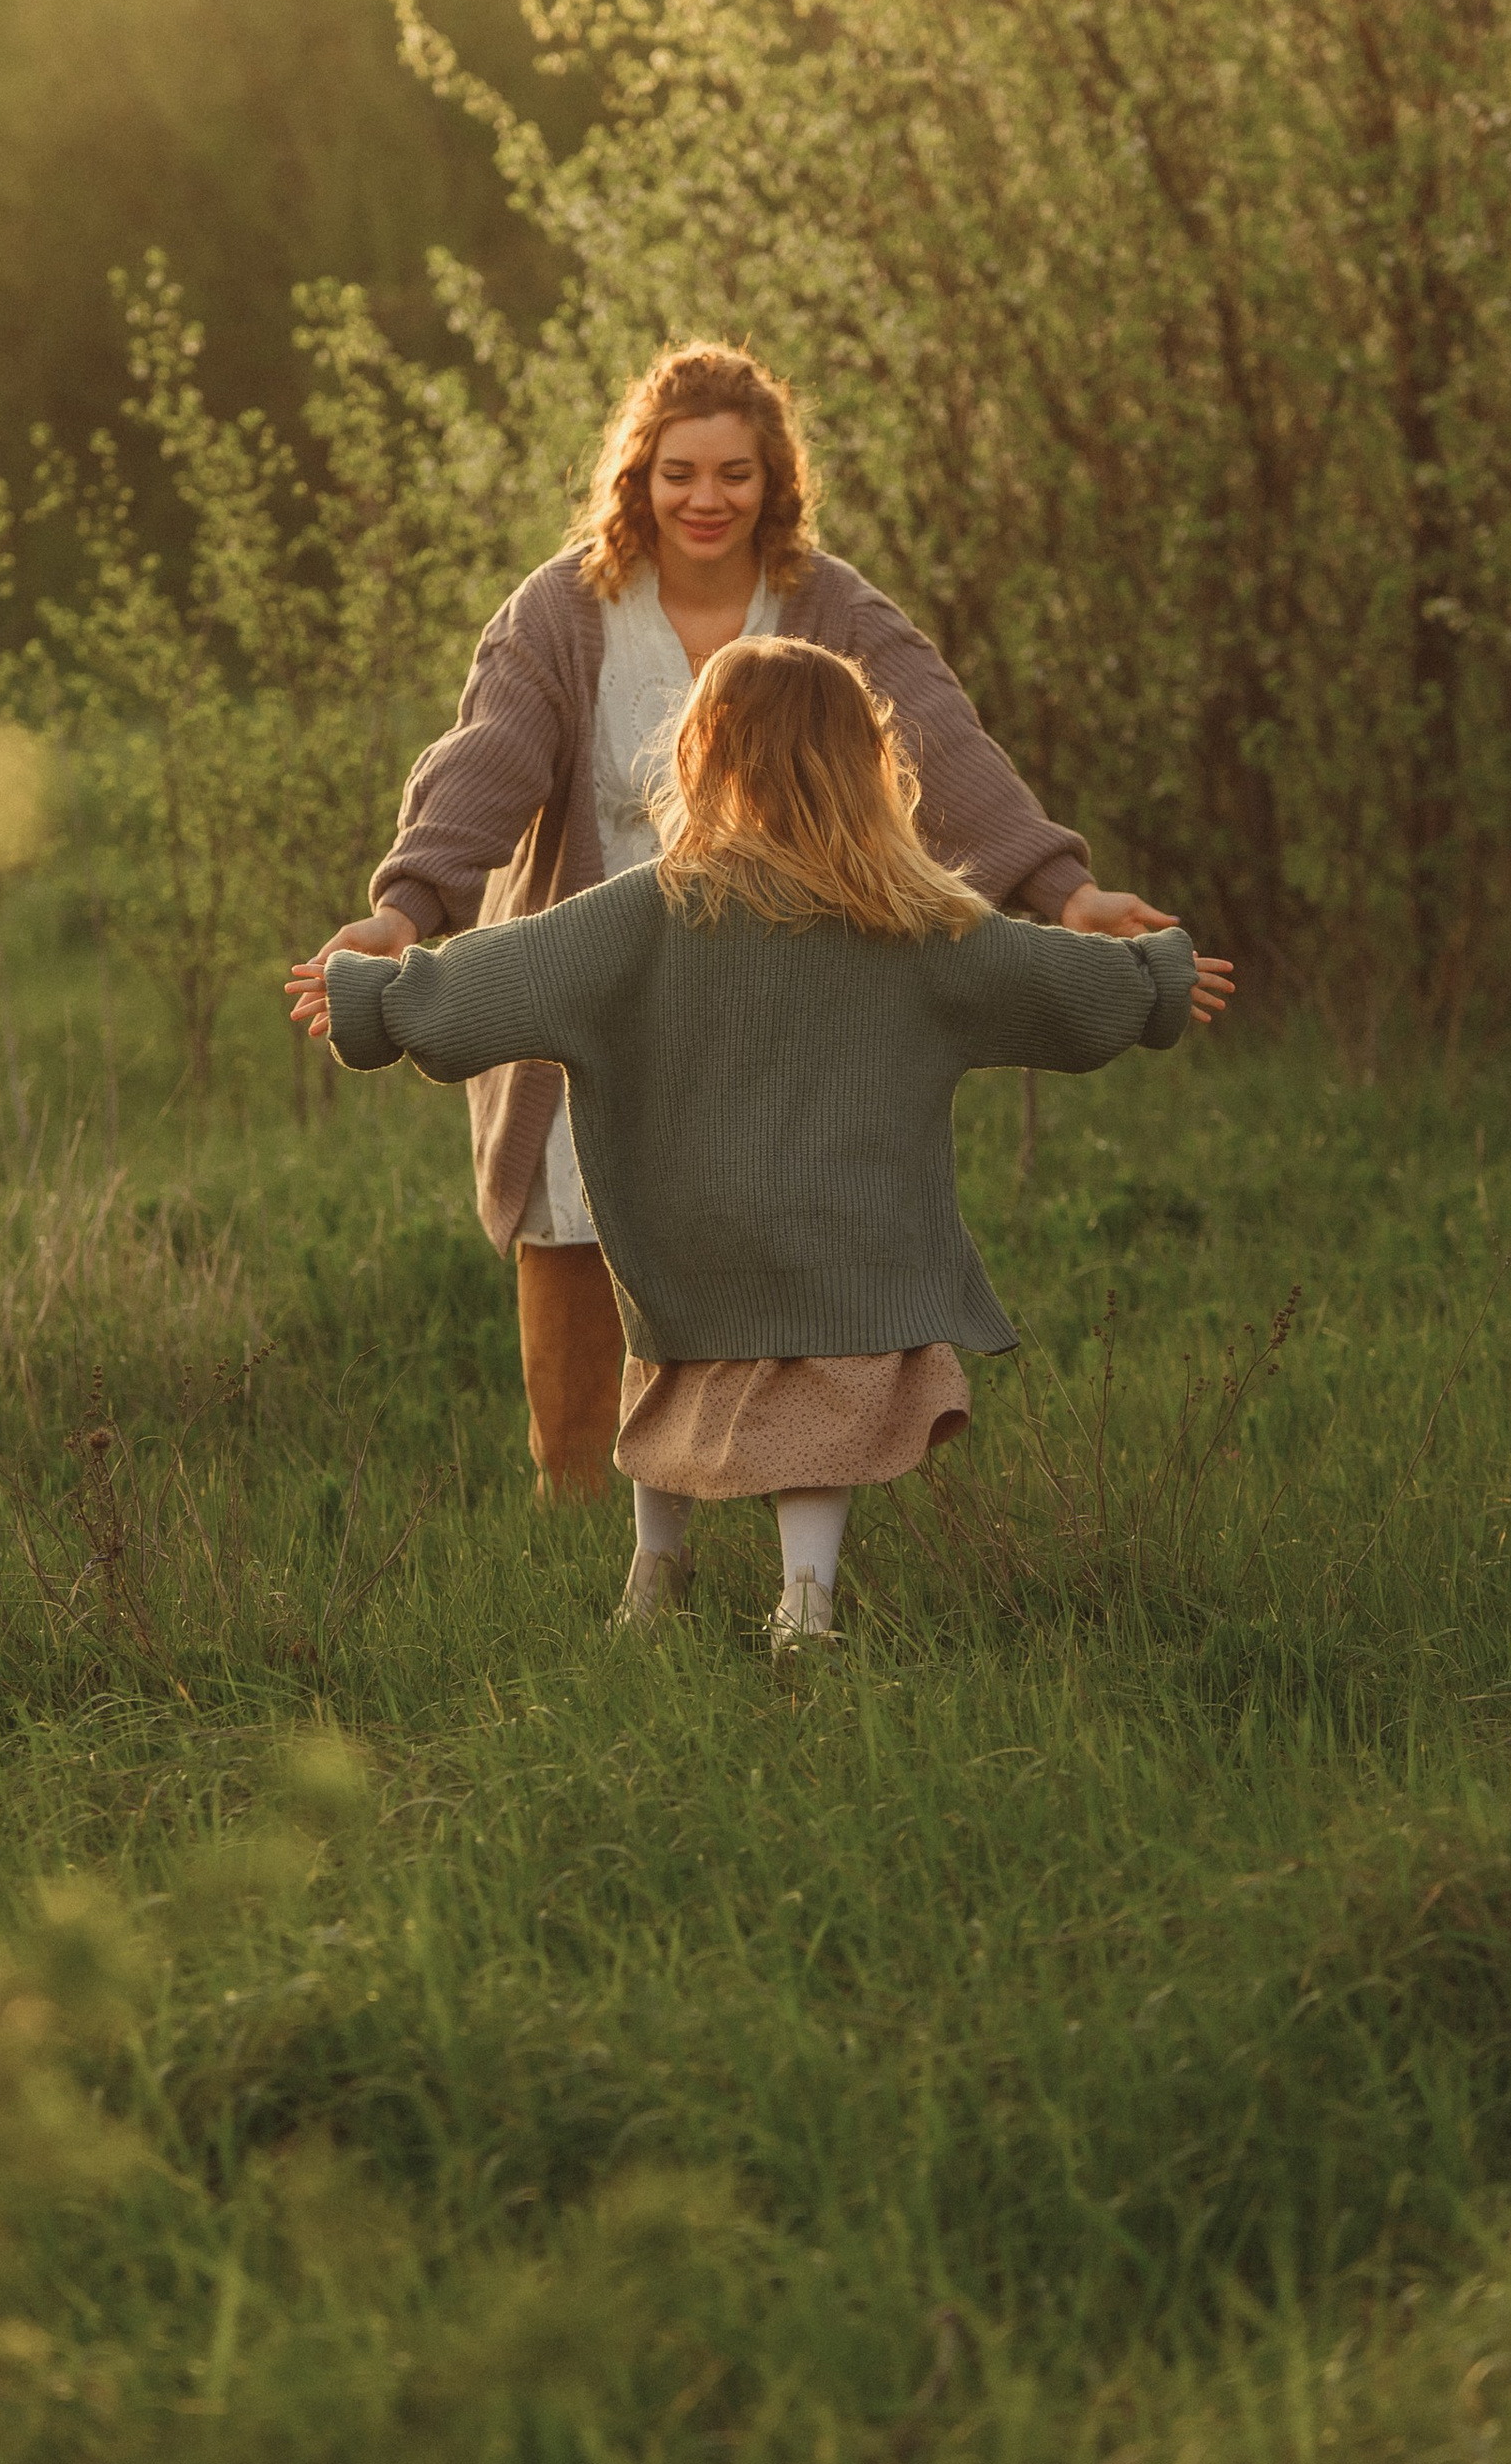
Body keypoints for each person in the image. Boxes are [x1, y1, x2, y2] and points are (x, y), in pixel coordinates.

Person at [287, 342, 1190, 1498]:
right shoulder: (563, 613)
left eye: (733, 472)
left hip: (794, 994)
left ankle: (794, 1500)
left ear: (775, 481)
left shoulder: (829, 604)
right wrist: (403, 908)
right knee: (573, 1225)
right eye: (678, 471)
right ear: (636, 476)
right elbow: (489, 761)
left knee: (783, 1230)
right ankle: (581, 1511)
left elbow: (944, 748)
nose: (704, 498)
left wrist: (1063, 890)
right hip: (609, 973)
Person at [304, 637, 1232, 1656]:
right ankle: (803, 1598)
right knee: (820, 1409)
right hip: (843, 1245)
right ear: (866, 762)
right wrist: (1153, 983)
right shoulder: (917, 923)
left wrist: (373, 1000)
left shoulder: (646, 912)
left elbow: (493, 980)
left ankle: (653, 1574)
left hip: (681, 1241)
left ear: (699, 752)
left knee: (670, 1376)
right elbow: (1051, 983)